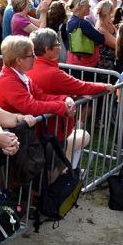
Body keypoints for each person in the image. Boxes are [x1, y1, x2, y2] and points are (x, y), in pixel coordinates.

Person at [28, 29, 113, 164]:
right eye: (57, 45)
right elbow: (81, 86)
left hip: (40, 129)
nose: (60, 47)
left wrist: (68, 96)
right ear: (47, 49)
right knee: (83, 136)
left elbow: (48, 92)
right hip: (51, 132)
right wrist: (105, 86)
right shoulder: (51, 72)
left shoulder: (31, 66)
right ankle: (66, 171)